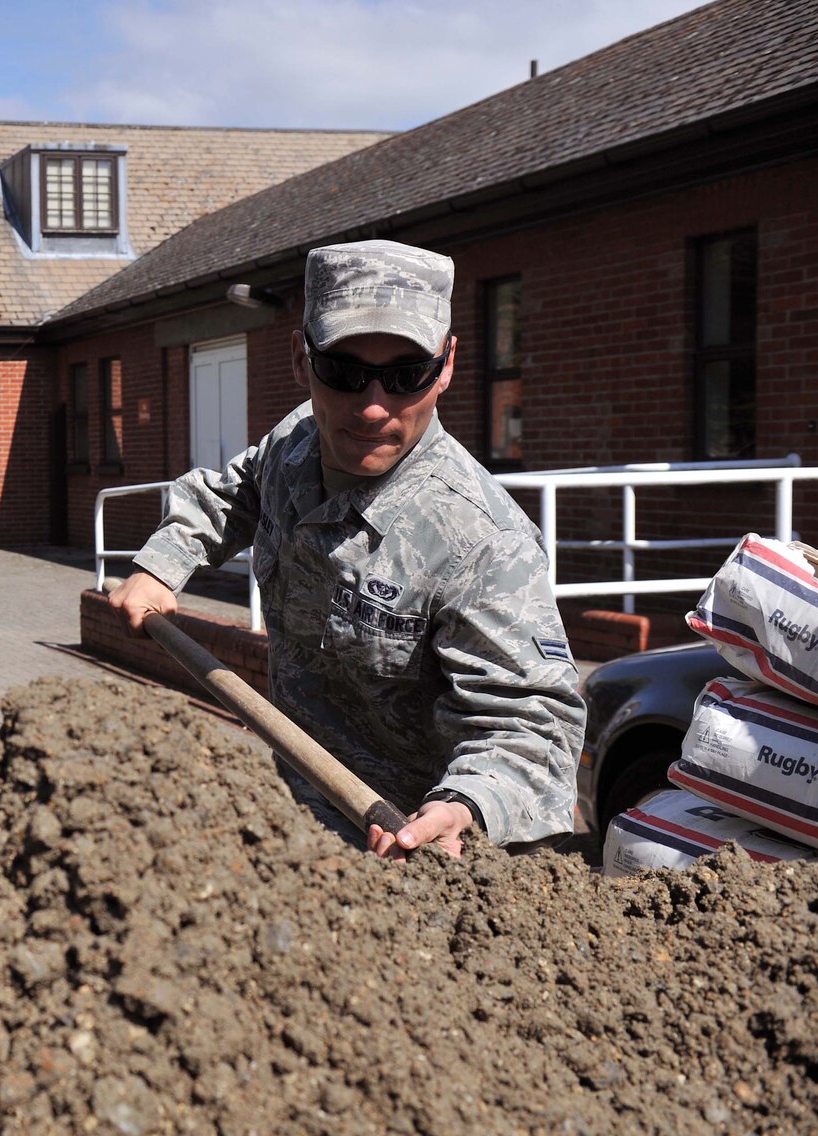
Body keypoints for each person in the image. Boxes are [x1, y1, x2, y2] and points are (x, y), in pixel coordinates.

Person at [109, 239, 584, 858]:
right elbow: (233, 494)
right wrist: (163, 564)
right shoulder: (294, 443)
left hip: (421, 850)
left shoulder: (480, 541)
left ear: (446, 365)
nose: (373, 407)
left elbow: (533, 721)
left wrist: (467, 803)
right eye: (345, 371)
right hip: (301, 806)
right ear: (303, 361)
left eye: (406, 373)